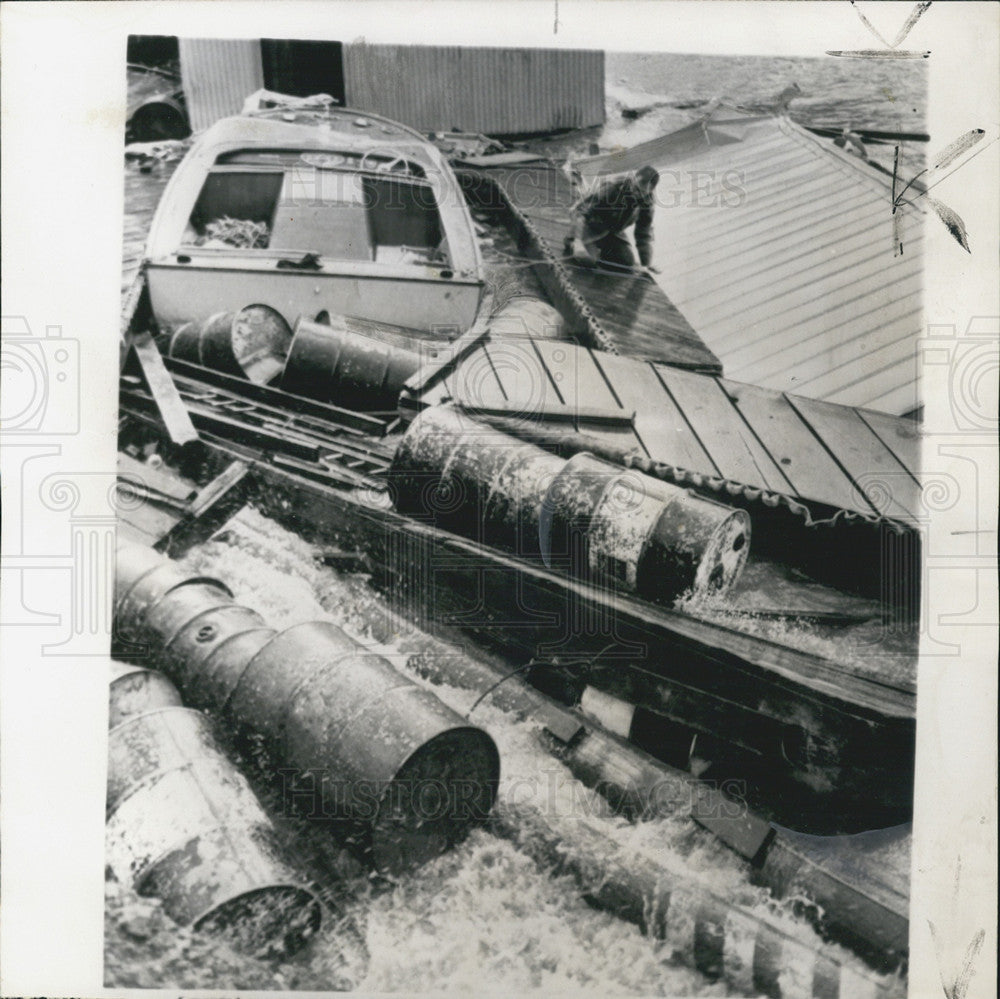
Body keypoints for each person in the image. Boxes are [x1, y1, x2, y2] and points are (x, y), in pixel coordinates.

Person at [563, 164, 661, 276]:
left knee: (627, 262)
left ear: (649, 191)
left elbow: (643, 233)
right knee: (588, 262)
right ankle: (573, 242)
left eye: (641, 192)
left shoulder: (647, 203)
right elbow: (581, 212)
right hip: (591, 225)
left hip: (612, 231)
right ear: (633, 179)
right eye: (635, 188)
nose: (636, 193)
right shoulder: (613, 187)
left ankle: (599, 250)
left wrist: (646, 264)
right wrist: (577, 241)